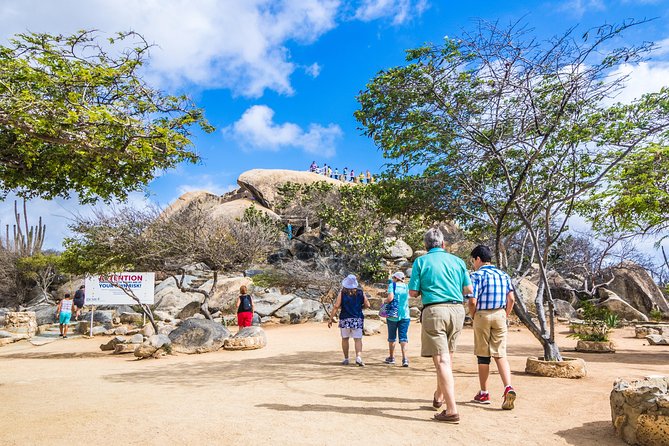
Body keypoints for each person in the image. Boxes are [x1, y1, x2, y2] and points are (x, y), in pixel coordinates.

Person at [408, 228, 473, 424]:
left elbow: (412, 292)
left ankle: (452, 410)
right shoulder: (458, 261)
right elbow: (468, 289)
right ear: (443, 244)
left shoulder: (421, 261)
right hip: (457, 311)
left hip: (435, 311)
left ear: (426, 246)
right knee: (447, 359)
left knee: (442, 361)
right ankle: (439, 396)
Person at [467, 245, 517, 410]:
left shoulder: (476, 275)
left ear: (478, 259)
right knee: (500, 353)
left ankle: (484, 393)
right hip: (500, 314)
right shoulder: (503, 275)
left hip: (482, 314)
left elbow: (472, 300)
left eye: (473, 261)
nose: (473, 264)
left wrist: (473, 315)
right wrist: (505, 314)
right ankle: (508, 387)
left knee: (483, 355)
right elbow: (511, 299)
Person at [328, 274, 370, 366]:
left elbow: (336, 306)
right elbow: (368, 305)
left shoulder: (342, 293)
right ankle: (358, 357)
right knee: (358, 339)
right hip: (357, 318)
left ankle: (346, 358)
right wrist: (361, 307)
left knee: (345, 339)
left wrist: (331, 318)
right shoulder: (360, 292)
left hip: (345, 318)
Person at [384, 271, 411, 367]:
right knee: (403, 337)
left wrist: (385, 301)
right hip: (405, 315)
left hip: (392, 315)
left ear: (396, 278)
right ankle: (405, 359)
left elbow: (390, 298)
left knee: (392, 337)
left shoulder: (392, 285)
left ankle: (391, 357)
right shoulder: (407, 287)